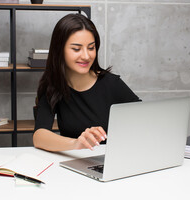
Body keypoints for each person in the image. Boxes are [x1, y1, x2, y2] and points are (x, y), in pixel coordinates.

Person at [33, 13, 140, 152]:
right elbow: (39, 136)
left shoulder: (111, 84)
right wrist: (76, 144)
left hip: (111, 160)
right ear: (60, 50)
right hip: (74, 162)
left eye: (91, 48)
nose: (86, 56)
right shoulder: (53, 86)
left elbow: (143, 121)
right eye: (76, 49)